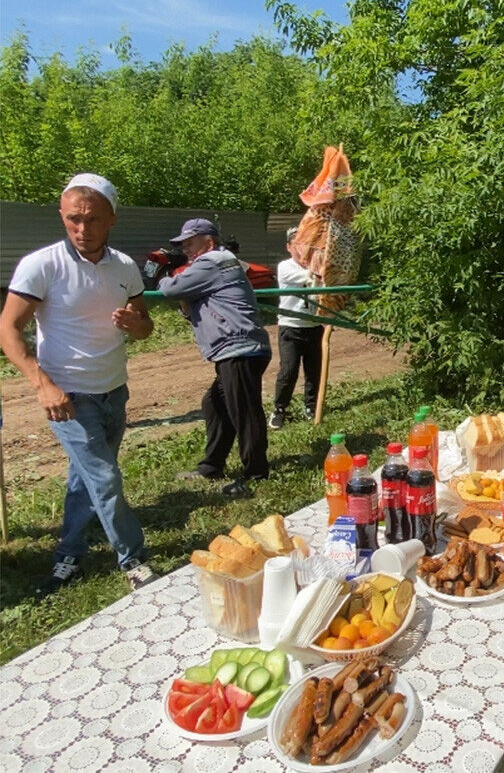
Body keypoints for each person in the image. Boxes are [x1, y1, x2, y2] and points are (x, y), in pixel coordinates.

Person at [0, 173, 159, 595]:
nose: (82, 230)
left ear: (112, 220)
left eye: (92, 220)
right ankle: (135, 560)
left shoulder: (124, 267)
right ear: (62, 216)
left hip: (114, 390)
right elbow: (8, 328)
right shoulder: (42, 265)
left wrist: (134, 324)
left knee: (84, 479)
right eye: (73, 220)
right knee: (104, 479)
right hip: (67, 397)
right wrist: (42, 385)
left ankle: (67, 555)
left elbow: (146, 327)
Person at [158, 218, 271, 499]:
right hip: (236, 347)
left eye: (189, 243)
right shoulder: (213, 266)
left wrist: (161, 273)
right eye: (181, 245)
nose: (185, 249)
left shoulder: (213, 261)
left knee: (244, 412)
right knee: (215, 405)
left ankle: (256, 472)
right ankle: (212, 466)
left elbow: (169, 290)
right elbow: (189, 306)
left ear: (208, 242)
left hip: (239, 347)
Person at [270, 226, 324, 428]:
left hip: (313, 325)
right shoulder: (285, 267)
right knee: (289, 369)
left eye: (306, 244)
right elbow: (310, 278)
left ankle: (311, 406)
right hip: (290, 326)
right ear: (288, 247)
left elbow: (324, 287)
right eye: (297, 245)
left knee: (313, 370)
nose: (302, 249)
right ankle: (279, 409)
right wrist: (319, 268)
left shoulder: (316, 265)